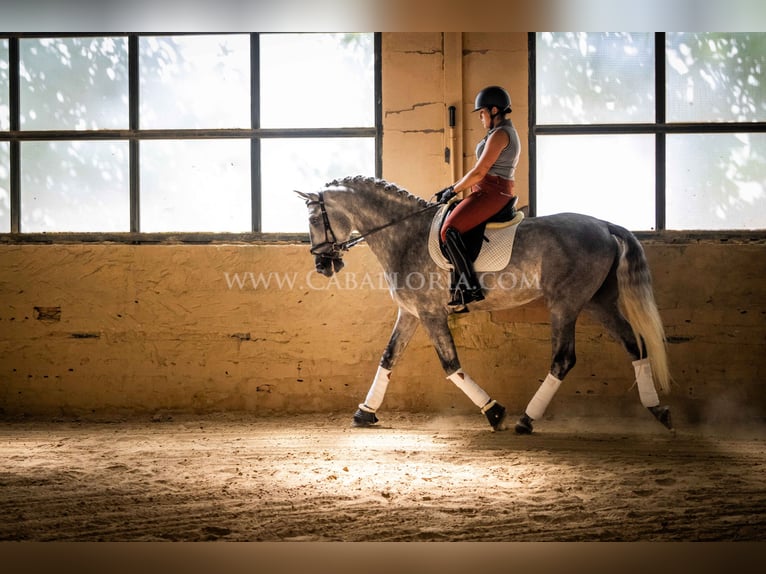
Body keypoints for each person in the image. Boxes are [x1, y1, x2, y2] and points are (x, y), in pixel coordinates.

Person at [436, 85, 521, 311]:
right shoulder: (497, 132)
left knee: (448, 230)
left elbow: (479, 172)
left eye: (482, 113)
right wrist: (451, 189)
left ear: (494, 111)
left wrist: (452, 190)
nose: (481, 118)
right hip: (485, 190)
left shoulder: (501, 134)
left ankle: (470, 289)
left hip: (493, 192)